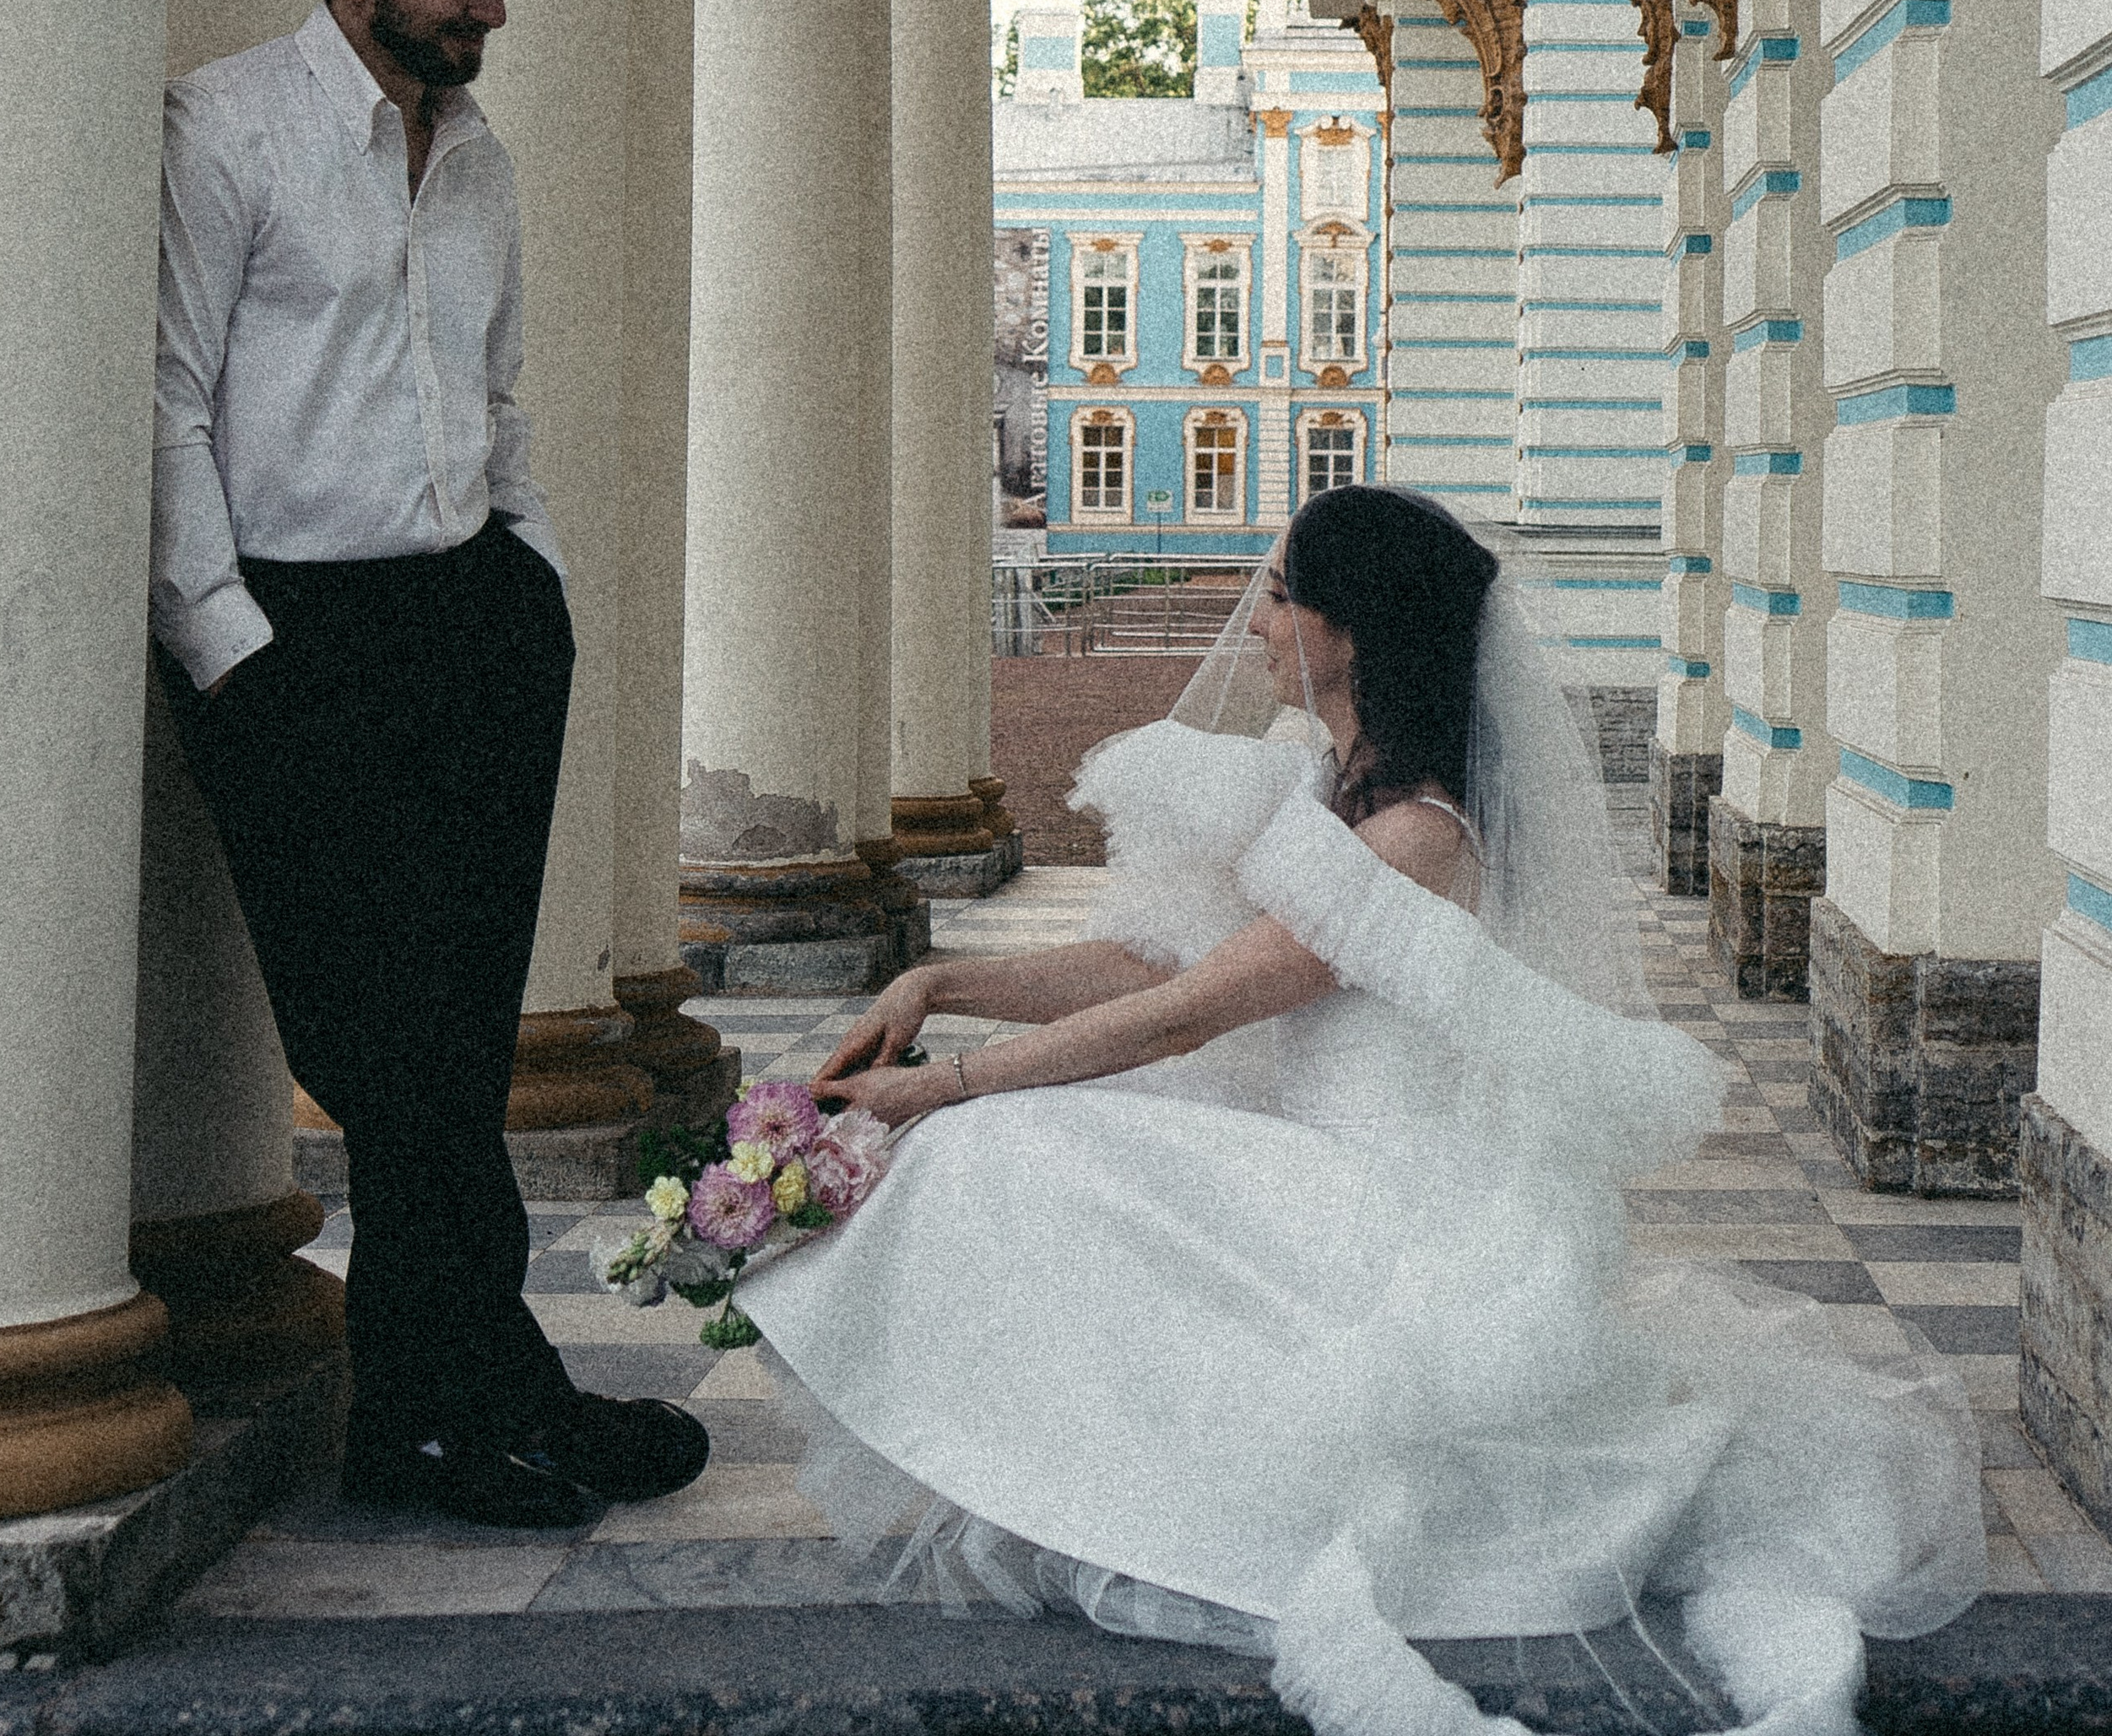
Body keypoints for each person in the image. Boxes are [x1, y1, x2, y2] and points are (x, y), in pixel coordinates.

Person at [739, 485, 1985, 1736]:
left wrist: (941, 1085)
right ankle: (1067, 1469)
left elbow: (1191, 1014)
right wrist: (939, 986)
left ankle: (1102, 1487)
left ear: (1353, 631)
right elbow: (1152, 967)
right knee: (1015, 1143)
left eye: (1281, 595)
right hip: (1309, 1157)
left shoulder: (1416, 841)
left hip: (1393, 1201)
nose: (1255, 621)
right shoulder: (1323, 788)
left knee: (993, 1145)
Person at [150, 0, 707, 1529]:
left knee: (455, 1053)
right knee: (387, 1051)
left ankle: (441, 1412)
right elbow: (165, 402)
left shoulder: (478, 160)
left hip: (471, 626)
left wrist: (530, 580)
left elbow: (494, 391)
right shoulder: (224, 132)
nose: (494, 8)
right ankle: (473, 1398)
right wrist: (229, 646)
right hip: (294, 645)